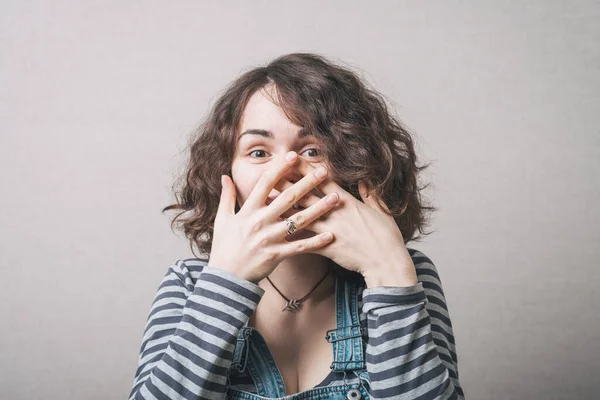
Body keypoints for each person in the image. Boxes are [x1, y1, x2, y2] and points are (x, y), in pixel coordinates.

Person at [128, 53, 465, 399]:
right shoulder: (188, 284)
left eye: (312, 150)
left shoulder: (407, 272)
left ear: (353, 164)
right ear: (226, 173)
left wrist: (389, 272)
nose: (286, 171)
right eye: (258, 152)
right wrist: (226, 280)